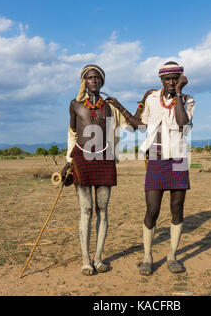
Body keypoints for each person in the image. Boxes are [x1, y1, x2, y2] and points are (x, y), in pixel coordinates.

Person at [107, 61, 195, 276]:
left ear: (181, 79)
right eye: (167, 79)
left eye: (176, 78)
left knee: (177, 209)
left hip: (178, 158)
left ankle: (172, 256)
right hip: (155, 159)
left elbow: (183, 124)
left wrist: (180, 94)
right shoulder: (152, 98)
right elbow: (140, 125)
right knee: (152, 210)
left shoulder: (187, 100)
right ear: (161, 80)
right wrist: (119, 106)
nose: (171, 82)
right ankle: (147, 256)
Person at [62, 64, 151, 276]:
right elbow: (72, 133)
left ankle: (99, 258)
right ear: (84, 81)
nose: (93, 81)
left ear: (102, 82)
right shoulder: (75, 105)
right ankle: (86, 260)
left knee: (103, 210)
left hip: (105, 158)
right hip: (81, 159)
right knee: (86, 210)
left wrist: (140, 101)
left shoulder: (110, 107)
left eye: (97, 78)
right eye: (89, 78)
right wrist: (68, 160)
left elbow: (136, 126)